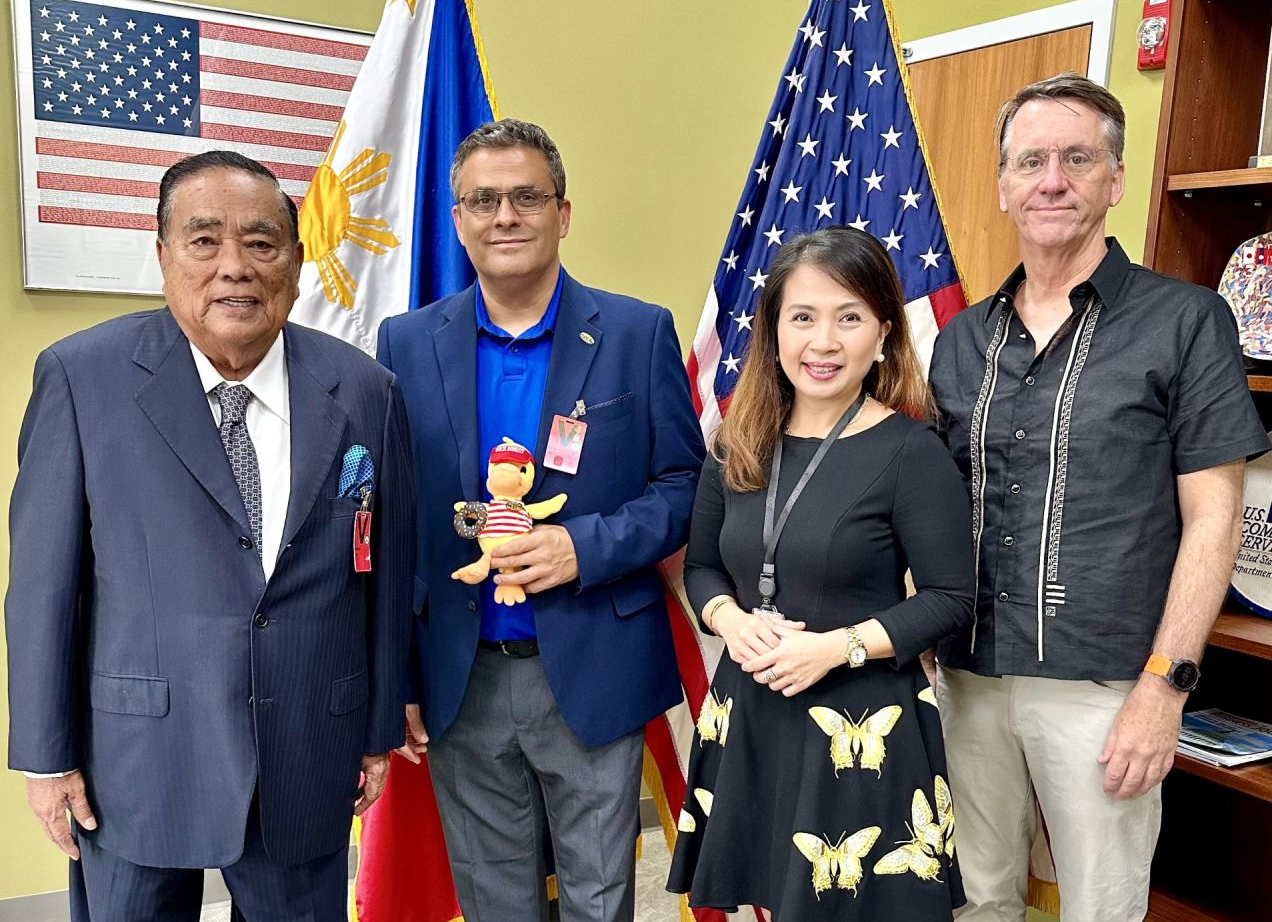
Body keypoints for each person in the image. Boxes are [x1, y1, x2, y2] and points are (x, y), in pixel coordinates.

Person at [5, 151, 415, 922]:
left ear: (295, 263)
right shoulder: (82, 378)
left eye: (262, 243)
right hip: (134, 756)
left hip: (305, 745)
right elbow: (43, 588)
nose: (235, 267)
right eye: (203, 241)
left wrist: (376, 726)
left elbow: (386, 575)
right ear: (162, 257)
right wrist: (45, 755)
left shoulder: (365, 390)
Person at [928, 73, 1269, 922]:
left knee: (1101, 908)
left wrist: (1166, 686)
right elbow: (929, 504)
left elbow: (1213, 521)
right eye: (1031, 160)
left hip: (1107, 685)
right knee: (978, 899)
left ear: (1114, 181)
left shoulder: (1187, 321)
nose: (1053, 180)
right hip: (966, 674)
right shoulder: (962, 338)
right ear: (1004, 184)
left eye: (1077, 159)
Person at [376, 118, 704, 922]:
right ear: (458, 220)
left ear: (563, 213)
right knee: (494, 901)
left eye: (527, 197)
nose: (505, 216)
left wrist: (581, 546)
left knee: (599, 896)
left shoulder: (637, 331)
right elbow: (395, 517)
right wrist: (398, 679)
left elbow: (684, 484)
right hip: (461, 671)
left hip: (596, 659)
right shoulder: (405, 342)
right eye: (483, 200)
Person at [667, 226, 973, 920]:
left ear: (884, 333)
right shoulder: (736, 443)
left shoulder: (912, 452)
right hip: (753, 712)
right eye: (802, 317)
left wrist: (836, 647)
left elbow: (952, 598)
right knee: (771, 902)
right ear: (773, 330)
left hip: (862, 729)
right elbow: (706, 567)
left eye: (849, 318)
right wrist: (730, 621)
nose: (824, 342)